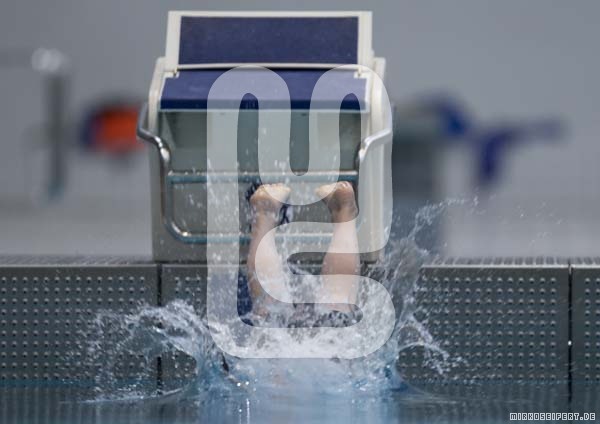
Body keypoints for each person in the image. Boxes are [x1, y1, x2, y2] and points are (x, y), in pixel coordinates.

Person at [246, 182, 361, 325]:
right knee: (337, 304)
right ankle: (343, 210)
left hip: (277, 337)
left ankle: (265, 213)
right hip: (330, 337)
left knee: (270, 307)